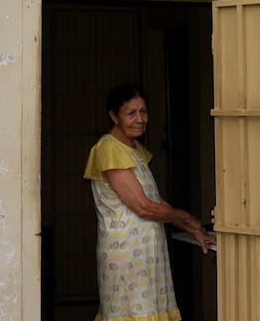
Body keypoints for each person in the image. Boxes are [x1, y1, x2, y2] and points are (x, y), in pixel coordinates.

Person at [83, 83, 212, 321]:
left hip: (146, 255)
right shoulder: (108, 149)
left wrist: (193, 229)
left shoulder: (135, 149)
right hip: (126, 256)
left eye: (143, 111)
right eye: (131, 113)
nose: (140, 119)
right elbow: (143, 207)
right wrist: (186, 217)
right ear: (114, 116)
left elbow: (155, 201)